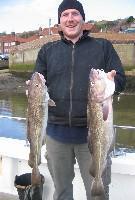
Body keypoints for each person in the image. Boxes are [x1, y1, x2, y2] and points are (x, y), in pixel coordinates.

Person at [33, 0, 126, 199]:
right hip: (56, 137)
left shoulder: (103, 47)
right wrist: (31, 91)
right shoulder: (47, 51)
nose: (70, 19)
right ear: (59, 22)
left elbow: (120, 78)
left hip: (94, 136)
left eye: (75, 14)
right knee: (62, 191)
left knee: (97, 194)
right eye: (65, 15)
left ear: (83, 19)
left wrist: (111, 83)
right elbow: (37, 82)